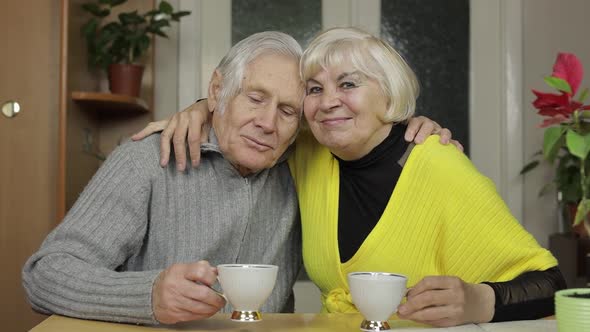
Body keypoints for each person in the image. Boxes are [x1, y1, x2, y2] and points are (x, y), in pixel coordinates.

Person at [139, 28, 566, 327]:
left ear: (389, 93)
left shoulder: (437, 164)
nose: (328, 103)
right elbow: (250, 116)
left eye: (347, 84)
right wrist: (202, 108)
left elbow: (551, 283)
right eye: (314, 88)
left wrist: (478, 301)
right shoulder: (307, 151)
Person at [22, 31, 447, 326]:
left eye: (287, 111)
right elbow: (44, 276)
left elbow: (359, 131)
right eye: (255, 98)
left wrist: (408, 133)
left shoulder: (306, 164)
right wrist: (148, 296)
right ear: (219, 89)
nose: (266, 123)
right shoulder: (147, 161)